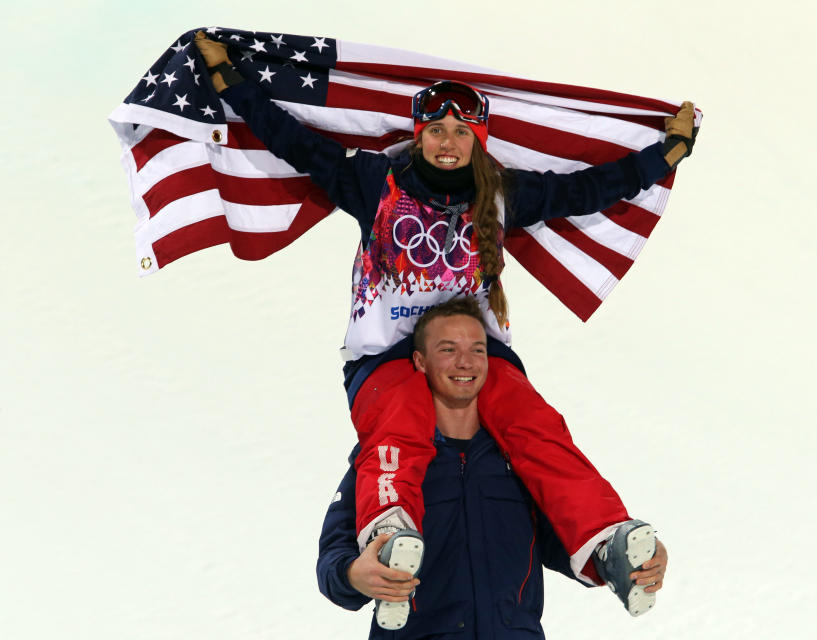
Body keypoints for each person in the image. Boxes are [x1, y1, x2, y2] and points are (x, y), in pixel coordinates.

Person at [194, 31, 693, 628]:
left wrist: (665, 155)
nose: (448, 142)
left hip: (474, 353)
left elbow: (586, 190)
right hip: (386, 358)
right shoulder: (375, 183)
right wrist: (228, 80)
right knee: (401, 420)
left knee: (536, 427)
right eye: (436, 130)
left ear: (478, 140)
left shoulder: (503, 193)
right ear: (419, 135)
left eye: (461, 132)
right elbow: (293, 142)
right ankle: (389, 539)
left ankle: (603, 537)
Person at [316, 299, 669, 636]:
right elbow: (332, 561)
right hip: (416, 636)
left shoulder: (519, 459)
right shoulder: (385, 456)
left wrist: (630, 560)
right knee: (386, 536)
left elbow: (566, 535)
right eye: (448, 349)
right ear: (420, 361)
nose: (465, 362)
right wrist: (352, 575)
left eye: (478, 349)